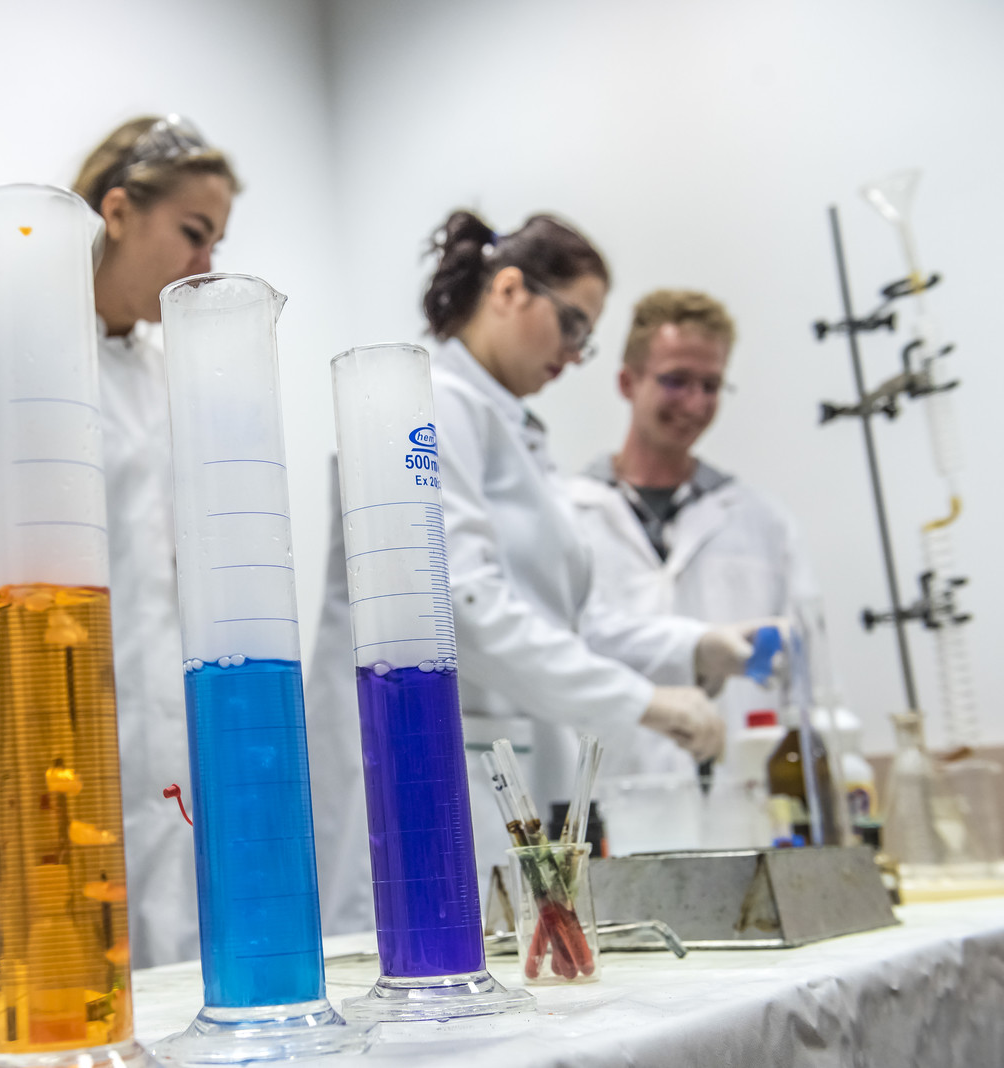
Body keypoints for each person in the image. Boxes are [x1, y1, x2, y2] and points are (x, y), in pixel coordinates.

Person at [309, 211, 758, 903]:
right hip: (432, 779)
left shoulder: (512, 429)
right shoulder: (426, 403)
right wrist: (641, 701)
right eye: (572, 323)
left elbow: (568, 622)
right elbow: (462, 607)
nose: (575, 354)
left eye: (586, 337)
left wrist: (693, 648)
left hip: (507, 791)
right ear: (510, 290)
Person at [0, 116, 241, 998]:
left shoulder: (165, 376)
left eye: (217, 241)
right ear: (120, 211)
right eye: (194, 232)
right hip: (33, 733)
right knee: (12, 989)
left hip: (156, 739)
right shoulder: (6, 352)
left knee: (159, 981)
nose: (205, 262)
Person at [566, 290, 814, 777]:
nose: (696, 403)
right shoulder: (567, 514)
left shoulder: (763, 522)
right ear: (627, 381)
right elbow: (560, 646)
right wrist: (695, 648)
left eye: (711, 385)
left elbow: (807, 680)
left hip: (739, 794)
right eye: (676, 381)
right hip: (606, 793)